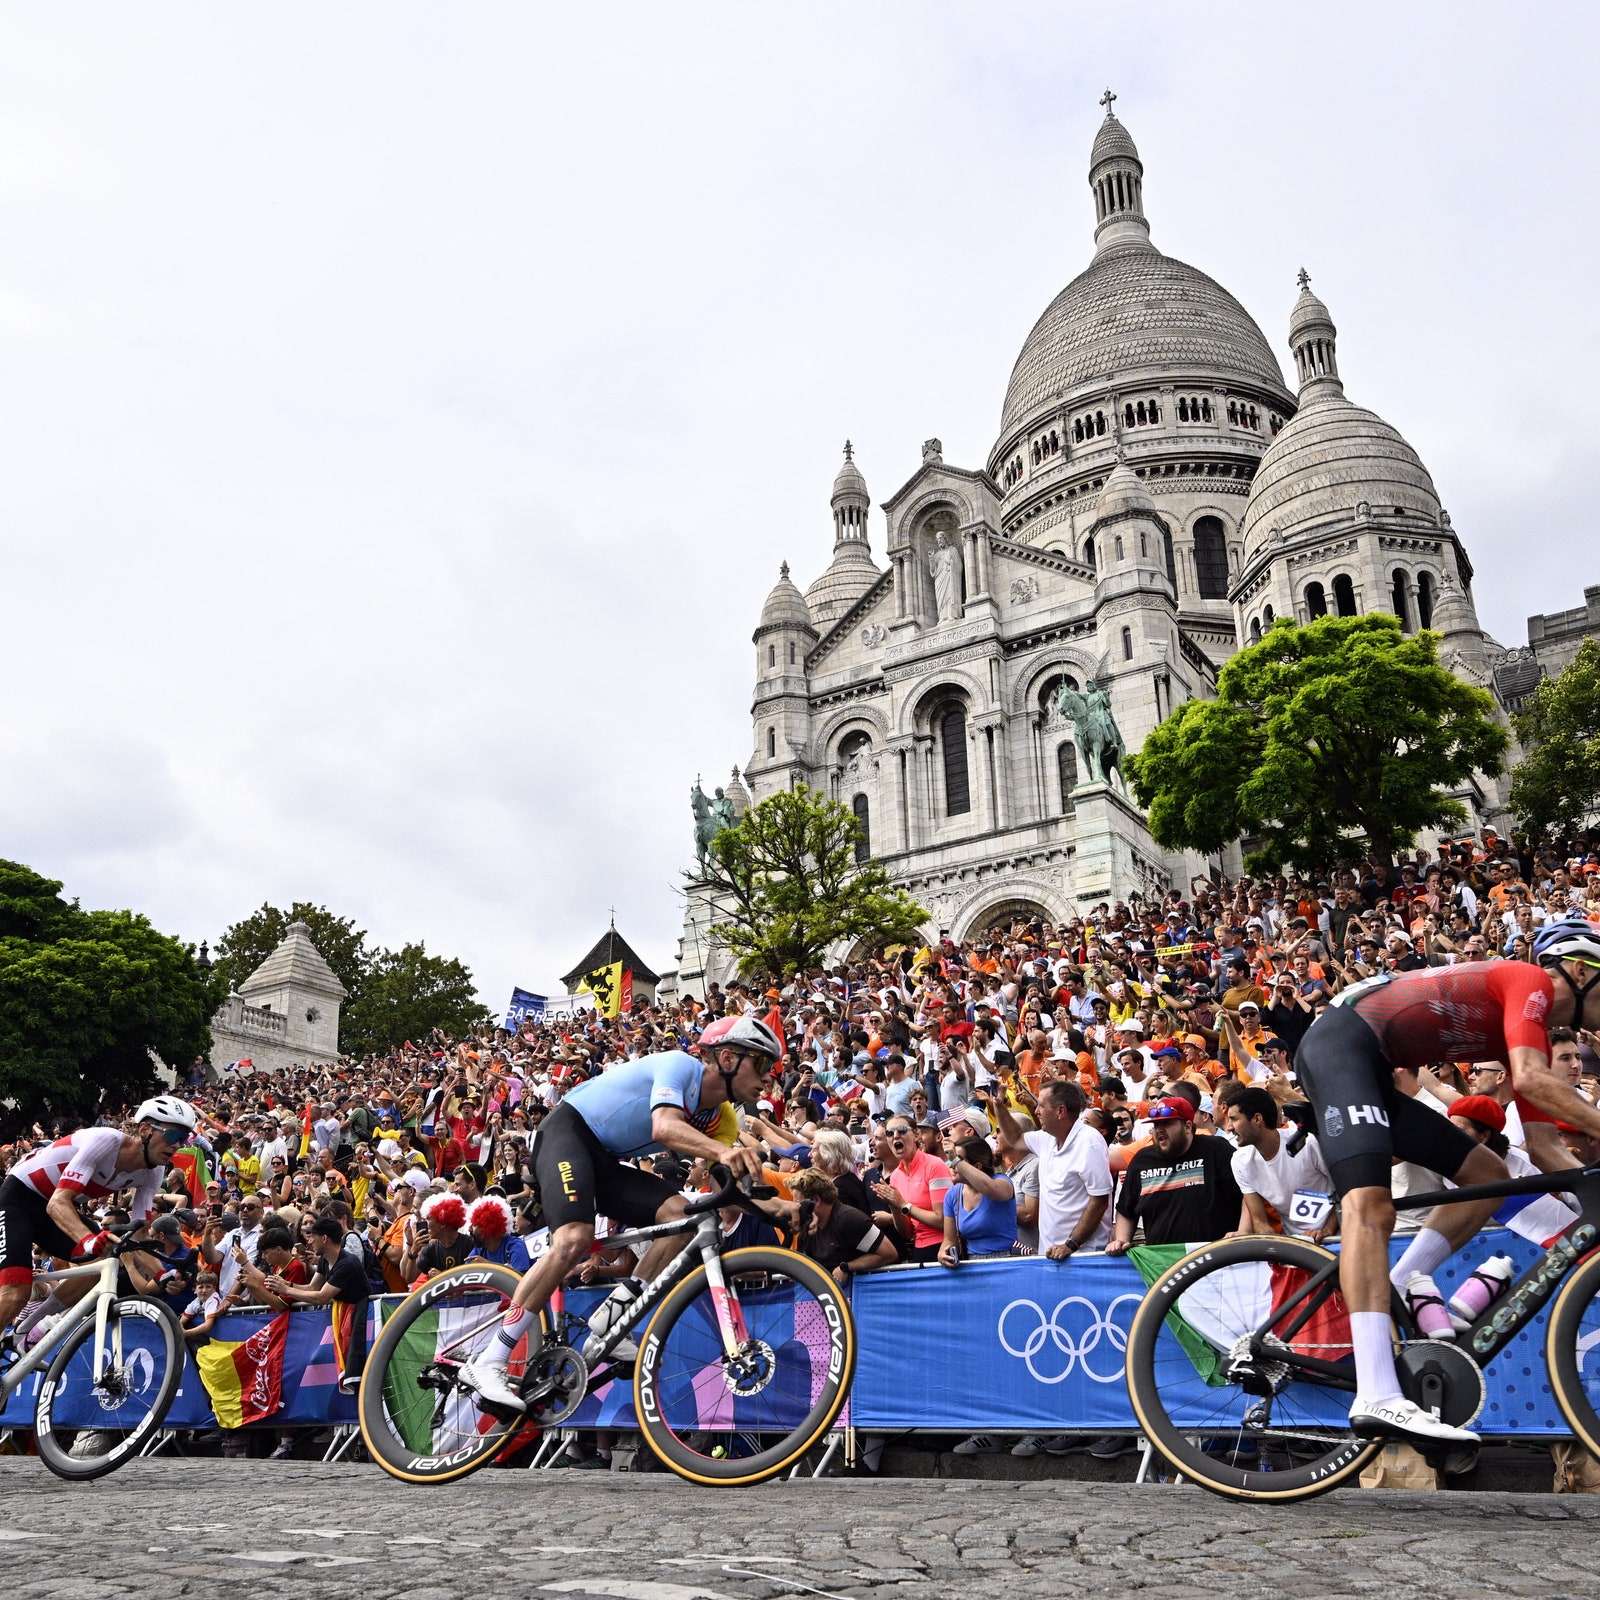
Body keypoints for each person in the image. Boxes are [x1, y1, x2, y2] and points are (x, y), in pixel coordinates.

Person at [1293, 915, 1600, 1447]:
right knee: (1371, 1205)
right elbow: (1529, 1079)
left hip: (1373, 1065)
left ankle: (1401, 1284)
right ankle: (1377, 1395)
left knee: (1489, 1173)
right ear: (1578, 970)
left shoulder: (1527, 1036)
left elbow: (1547, 1148)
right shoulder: (1526, 981)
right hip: (1340, 1046)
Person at [456, 1014, 779, 1411]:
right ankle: (490, 1359)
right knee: (574, 1238)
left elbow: (724, 1182)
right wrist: (723, 1152)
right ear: (727, 1058)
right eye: (761, 1064)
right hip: (568, 1132)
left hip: (605, 1160)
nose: (768, 1077)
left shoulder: (723, 1117)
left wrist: (779, 1206)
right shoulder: (681, 1067)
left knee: (686, 1217)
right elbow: (663, 1127)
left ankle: (613, 1314)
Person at [0, 1096, 196, 1343]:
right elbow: (57, 1202)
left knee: (103, 1262)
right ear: (145, 1130)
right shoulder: (106, 1140)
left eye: (184, 1139)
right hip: (20, 1198)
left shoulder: (154, 1171)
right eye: (172, 1136)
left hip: (53, 1209)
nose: (178, 1145)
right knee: (16, 1292)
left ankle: (28, 1331)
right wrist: (89, 1240)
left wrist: (161, 1275)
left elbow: (140, 1234)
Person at [266, 1214, 369, 1394]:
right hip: (341, 1315)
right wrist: (287, 1285)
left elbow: (322, 1297)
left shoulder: (347, 1263)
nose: (309, 1242)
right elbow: (312, 1287)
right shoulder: (324, 1260)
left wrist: (287, 1290)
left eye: (312, 1237)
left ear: (324, 1238)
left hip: (358, 1317)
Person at [1225, 1087, 1336, 1242]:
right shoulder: (1240, 1161)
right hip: (1294, 1244)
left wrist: (1326, 1231)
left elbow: (1347, 1189)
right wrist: (1277, 1247)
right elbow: (1259, 1222)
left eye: (1234, 1119)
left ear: (1257, 1119)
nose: (1229, 1128)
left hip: (1337, 1236)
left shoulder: (1308, 1143)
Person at [937, 1136, 1017, 1264]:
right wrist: (943, 1253)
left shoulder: (1002, 1182)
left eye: (958, 1160)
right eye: (952, 1159)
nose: (952, 1165)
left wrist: (956, 1160)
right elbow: (950, 1240)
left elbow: (990, 1189)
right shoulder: (953, 1194)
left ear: (977, 1167)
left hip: (1006, 1262)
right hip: (972, 1266)